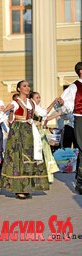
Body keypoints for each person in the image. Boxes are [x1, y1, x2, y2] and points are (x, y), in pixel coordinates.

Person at [1, 80, 50, 199]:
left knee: (30, 158)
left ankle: (27, 187)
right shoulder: (15, 102)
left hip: (30, 132)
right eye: (24, 86)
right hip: (18, 132)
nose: (27, 88)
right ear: (18, 89)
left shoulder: (31, 102)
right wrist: (11, 111)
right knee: (19, 159)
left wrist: (56, 104)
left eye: (28, 86)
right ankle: (19, 189)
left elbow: (43, 113)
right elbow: (10, 120)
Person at [29, 91, 62, 183]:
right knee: (39, 152)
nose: (39, 99)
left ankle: (46, 174)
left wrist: (58, 114)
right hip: (35, 131)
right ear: (31, 99)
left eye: (39, 97)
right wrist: (53, 103)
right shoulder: (32, 107)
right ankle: (39, 174)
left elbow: (45, 117)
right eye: (37, 97)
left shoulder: (37, 108)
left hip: (40, 131)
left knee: (46, 151)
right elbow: (45, 113)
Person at [60, 61, 82, 194]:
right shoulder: (73, 87)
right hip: (80, 117)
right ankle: (80, 182)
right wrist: (64, 105)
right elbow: (65, 107)